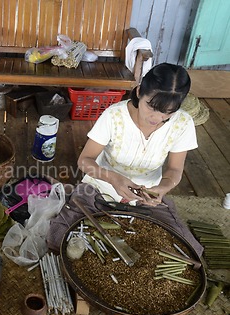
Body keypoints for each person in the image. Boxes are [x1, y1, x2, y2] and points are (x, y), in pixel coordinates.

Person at [48, 63, 203, 256]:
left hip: (146, 195)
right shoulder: (115, 116)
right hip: (102, 185)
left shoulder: (183, 123)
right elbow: (85, 161)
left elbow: (174, 170)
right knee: (59, 236)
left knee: (188, 250)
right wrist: (113, 178)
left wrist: (162, 187)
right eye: (151, 107)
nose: (157, 117)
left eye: (168, 112)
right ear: (139, 92)